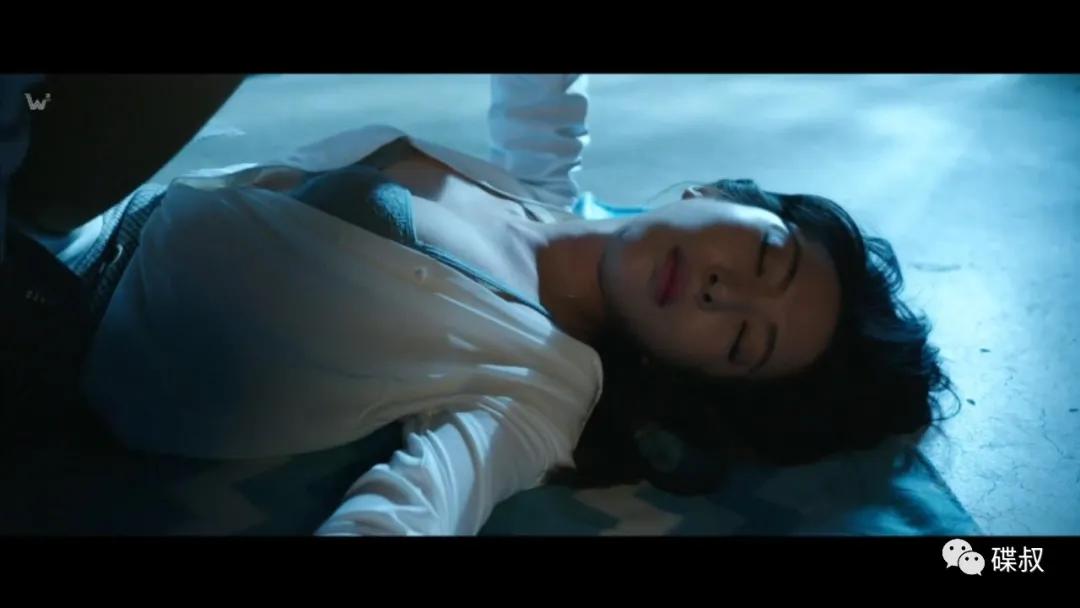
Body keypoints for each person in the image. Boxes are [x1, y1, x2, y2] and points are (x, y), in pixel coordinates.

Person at [19, 75, 955, 536]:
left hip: (45, 315)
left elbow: (410, 516)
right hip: (91, 210)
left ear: (691, 375)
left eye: (741, 340)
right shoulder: (539, 189)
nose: (723, 290)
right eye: (762, 255)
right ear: (712, 191)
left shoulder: (538, 392)